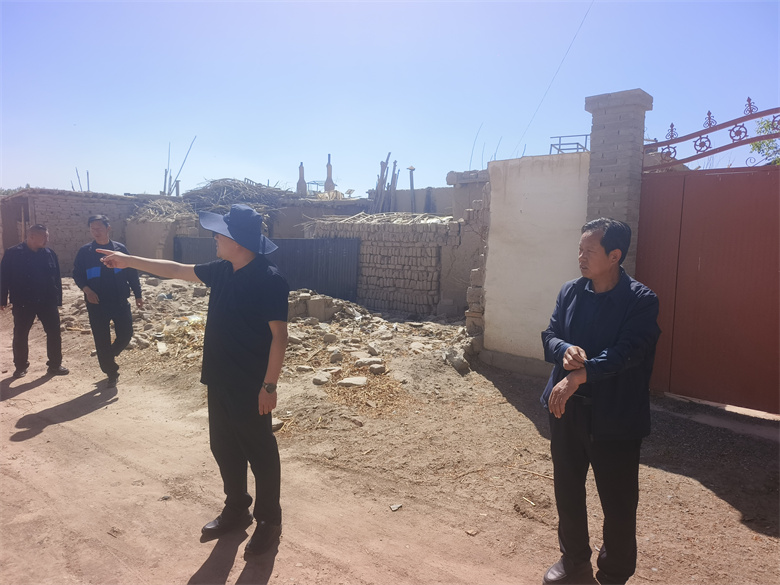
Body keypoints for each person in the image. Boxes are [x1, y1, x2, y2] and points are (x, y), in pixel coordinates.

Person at [98, 204, 289, 557]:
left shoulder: (269, 279)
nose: (214, 237)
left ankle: (268, 521)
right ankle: (237, 508)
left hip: (251, 385)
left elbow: (280, 336)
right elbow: (175, 269)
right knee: (224, 447)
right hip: (219, 378)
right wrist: (129, 261)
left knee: (260, 453)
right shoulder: (223, 269)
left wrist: (269, 386)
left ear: (238, 241)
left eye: (220, 233)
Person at [540, 218, 661, 585]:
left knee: (618, 503)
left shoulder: (640, 301)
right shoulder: (571, 292)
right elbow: (549, 334)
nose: (580, 257)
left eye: (589, 251)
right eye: (579, 249)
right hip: (566, 410)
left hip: (615, 417)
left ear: (614, 256)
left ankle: (613, 574)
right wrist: (563, 349)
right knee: (568, 491)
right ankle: (574, 561)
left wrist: (582, 373)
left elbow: (628, 352)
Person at [73, 215, 143, 388]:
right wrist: (87, 290)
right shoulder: (85, 252)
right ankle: (111, 372)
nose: (95, 232)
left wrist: (138, 294)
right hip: (96, 303)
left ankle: (107, 355)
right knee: (101, 339)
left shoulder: (119, 249)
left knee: (126, 334)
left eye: (99, 228)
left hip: (119, 300)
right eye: (92, 229)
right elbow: (77, 274)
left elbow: (131, 272)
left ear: (108, 228)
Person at [1, 224, 69, 378]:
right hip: (23, 301)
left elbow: (56, 278)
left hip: (47, 301)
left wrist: (58, 300)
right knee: (21, 334)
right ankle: (20, 366)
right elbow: (3, 277)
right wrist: (2, 299)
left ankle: (55, 365)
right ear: (31, 236)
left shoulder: (50, 254)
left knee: (54, 332)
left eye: (47, 236)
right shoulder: (13, 253)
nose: (47, 239)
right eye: (44, 236)